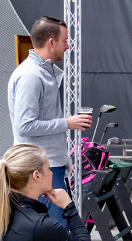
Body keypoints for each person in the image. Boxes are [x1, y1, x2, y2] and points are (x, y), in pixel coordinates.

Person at [8, 16, 91, 225]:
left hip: (50, 165)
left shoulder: (43, 72)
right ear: (51, 42)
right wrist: (67, 123)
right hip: (41, 168)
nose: (67, 46)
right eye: (64, 40)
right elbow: (25, 125)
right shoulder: (31, 76)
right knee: (55, 232)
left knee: (57, 229)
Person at [0, 143, 93, 241]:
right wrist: (69, 206)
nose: (51, 173)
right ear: (37, 176)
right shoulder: (42, 226)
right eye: (48, 169)